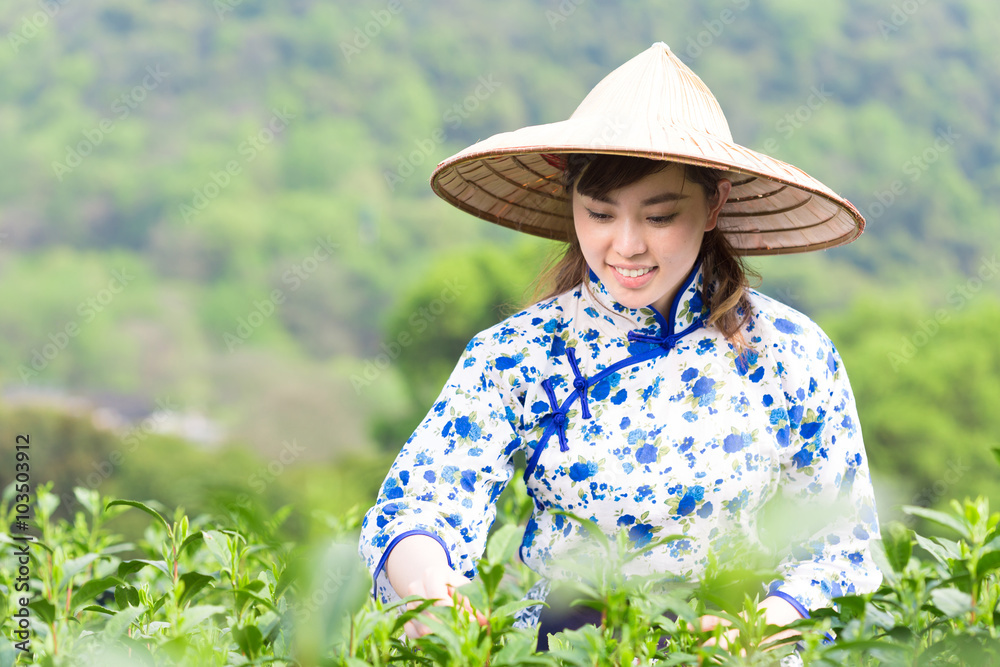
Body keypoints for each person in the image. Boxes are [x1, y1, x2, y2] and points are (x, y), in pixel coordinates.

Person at [358, 42, 882, 651]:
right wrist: (428, 583)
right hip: (566, 655)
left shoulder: (790, 354)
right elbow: (420, 504)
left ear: (715, 204)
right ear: (572, 202)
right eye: (600, 214)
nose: (625, 247)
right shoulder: (520, 354)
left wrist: (764, 622)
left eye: (659, 217)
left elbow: (845, 546)